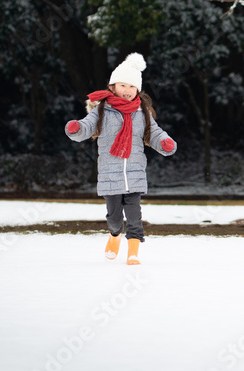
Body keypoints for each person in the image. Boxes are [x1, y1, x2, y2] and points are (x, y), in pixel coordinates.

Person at [64, 52, 177, 265]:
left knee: (134, 217)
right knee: (115, 218)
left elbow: (154, 133)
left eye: (132, 87)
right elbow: (87, 126)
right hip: (109, 174)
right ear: (113, 87)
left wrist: (164, 143)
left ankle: (133, 252)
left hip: (134, 174)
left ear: (138, 90)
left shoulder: (142, 112)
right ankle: (114, 235)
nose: (127, 91)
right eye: (122, 85)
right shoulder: (102, 110)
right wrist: (76, 128)